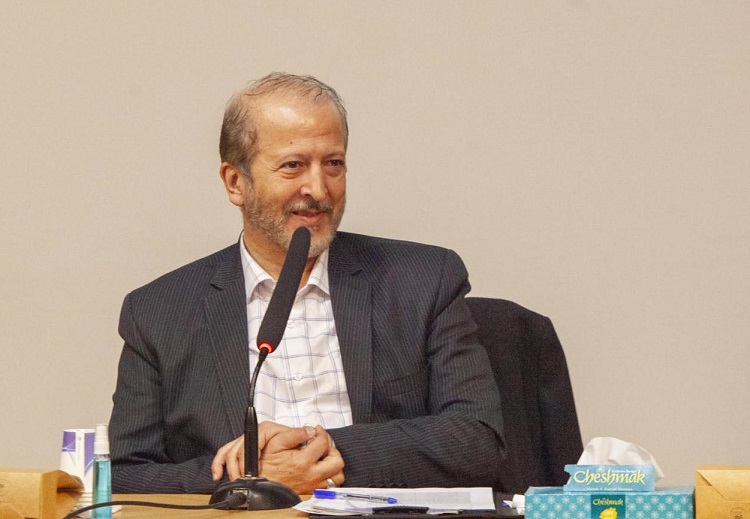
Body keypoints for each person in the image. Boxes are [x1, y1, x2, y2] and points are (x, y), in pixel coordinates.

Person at [109, 72, 505, 494]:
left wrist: (328, 453)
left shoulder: (423, 280)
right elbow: (126, 474)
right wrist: (249, 479)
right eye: (293, 165)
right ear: (235, 182)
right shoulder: (159, 311)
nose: (318, 189)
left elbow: (477, 439)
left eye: (333, 164)